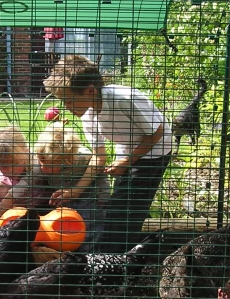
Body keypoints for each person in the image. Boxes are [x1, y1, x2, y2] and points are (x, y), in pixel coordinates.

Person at [43, 54, 173, 253]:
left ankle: (119, 256)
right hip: (128, 147)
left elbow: (158, 132)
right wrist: (76, 190)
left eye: (69, 101)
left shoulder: (123, 99)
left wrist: (128, 161)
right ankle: (120, 253)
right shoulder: (88, 116)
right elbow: (99, 156)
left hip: (156, 149)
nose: (66, 108)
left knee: (125, 209)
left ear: (90, 91)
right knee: (121, 206)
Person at [0, 122, 109, 250]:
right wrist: (5, 203)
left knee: (89, 227)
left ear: (67, 161)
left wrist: (103, 197)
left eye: (49, 165)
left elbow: (100, 173)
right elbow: (27, 182)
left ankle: (88, 254)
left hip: (89, 198)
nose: (43, 167)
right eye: (41, 161)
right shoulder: (43, 162)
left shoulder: (82, 159)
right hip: (66, 199)